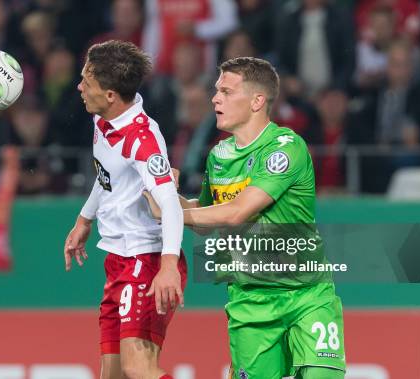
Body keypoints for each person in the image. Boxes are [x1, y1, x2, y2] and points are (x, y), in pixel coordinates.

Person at [145, 57, 346, 378]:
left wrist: (174, 213)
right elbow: (206, 222)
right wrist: (167, 199)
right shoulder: (218, 156)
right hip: (249, 303)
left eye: (226, 91)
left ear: (257, 101)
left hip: (306, 296)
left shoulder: (285, 147)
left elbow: (238, 211)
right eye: (216, 90)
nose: (215, 98)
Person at [63, 40, 185, 379]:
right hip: (118, 261)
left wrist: (169, 266)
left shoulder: (143, 140)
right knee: (113, 375)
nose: (80, 87)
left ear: (111, 94)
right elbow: (107, 178)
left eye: (87, 82)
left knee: (137, 368)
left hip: (145, 261)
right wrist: (84, 218)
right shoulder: (104, 119)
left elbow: (170, 205)